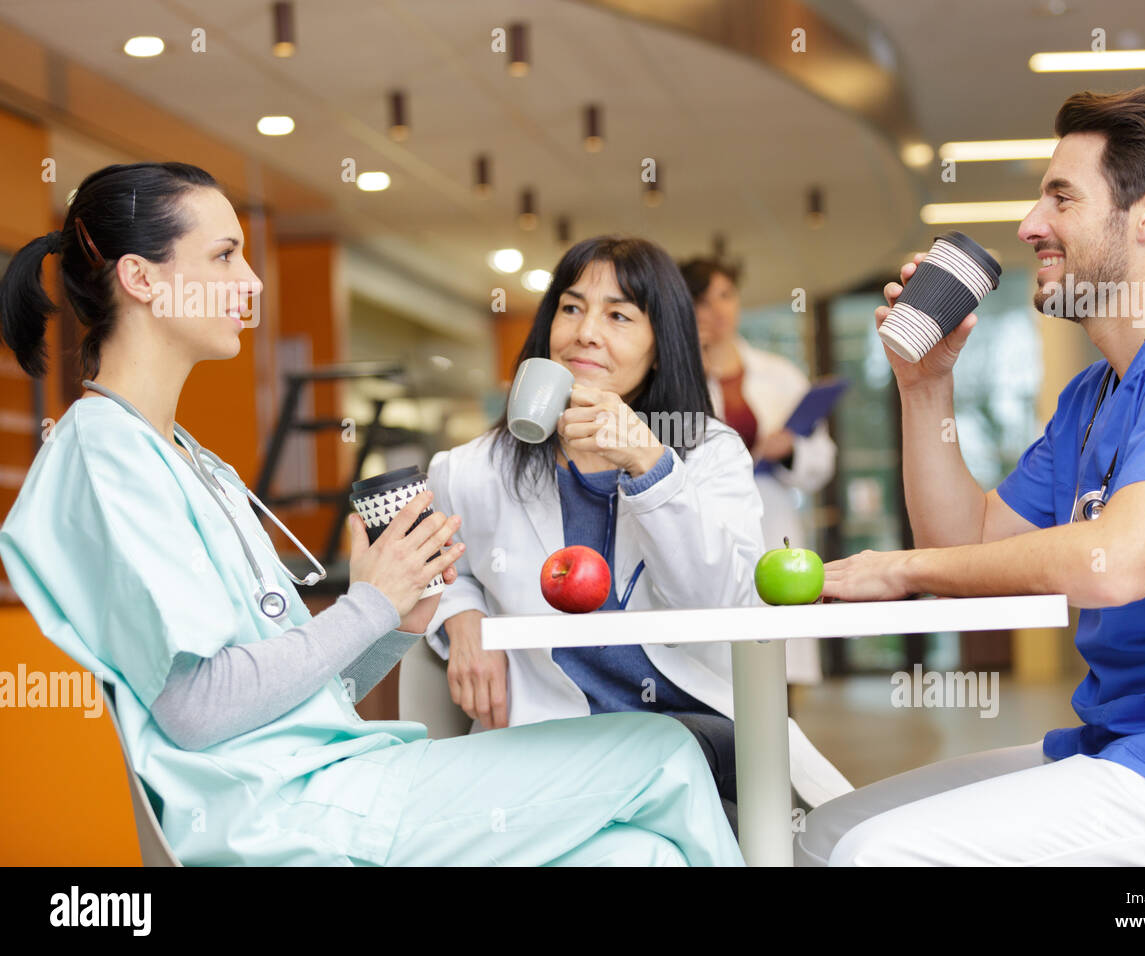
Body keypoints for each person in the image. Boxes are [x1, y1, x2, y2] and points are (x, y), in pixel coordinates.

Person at [0, 162, 744, 866]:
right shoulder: (106, 456)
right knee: (666, 753)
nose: (251, 281)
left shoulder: (194, 461)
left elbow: (301, 692)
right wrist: (369, 603)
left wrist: (399, 618)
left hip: (330, 775)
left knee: (636, 856)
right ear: (142, 279)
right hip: (276, 809)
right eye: (225, 256)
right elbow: (197, 710)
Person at [797, 87, 1145, 866]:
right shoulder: (1092, 398)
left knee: (881, 855)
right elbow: (962, 545)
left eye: (1060, 197)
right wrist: (924, 384)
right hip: (1121, 747)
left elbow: (1118, 561)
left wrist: (897, 569)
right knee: (825, 834)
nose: (1031, 225)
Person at [422, 236, 853, 830]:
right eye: (571, 308)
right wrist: (462, 619)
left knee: (658, 764)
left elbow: (721, 602)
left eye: (619, 315)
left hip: (693, 725)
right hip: (548, 734)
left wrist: (651, 467)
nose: (586, 332)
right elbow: (434, 564)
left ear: (661, 345)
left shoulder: (708, 454)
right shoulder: (476, 466)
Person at [678, 257, 837, 695]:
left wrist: (790, 452)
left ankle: (780, 755)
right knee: (714, 669)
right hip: (703, 525)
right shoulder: (670, 377)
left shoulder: (778, 373)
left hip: (771, 523)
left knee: (778, 668)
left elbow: (822, 462)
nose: (717, 310)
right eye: (703, 301)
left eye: (726, 296)